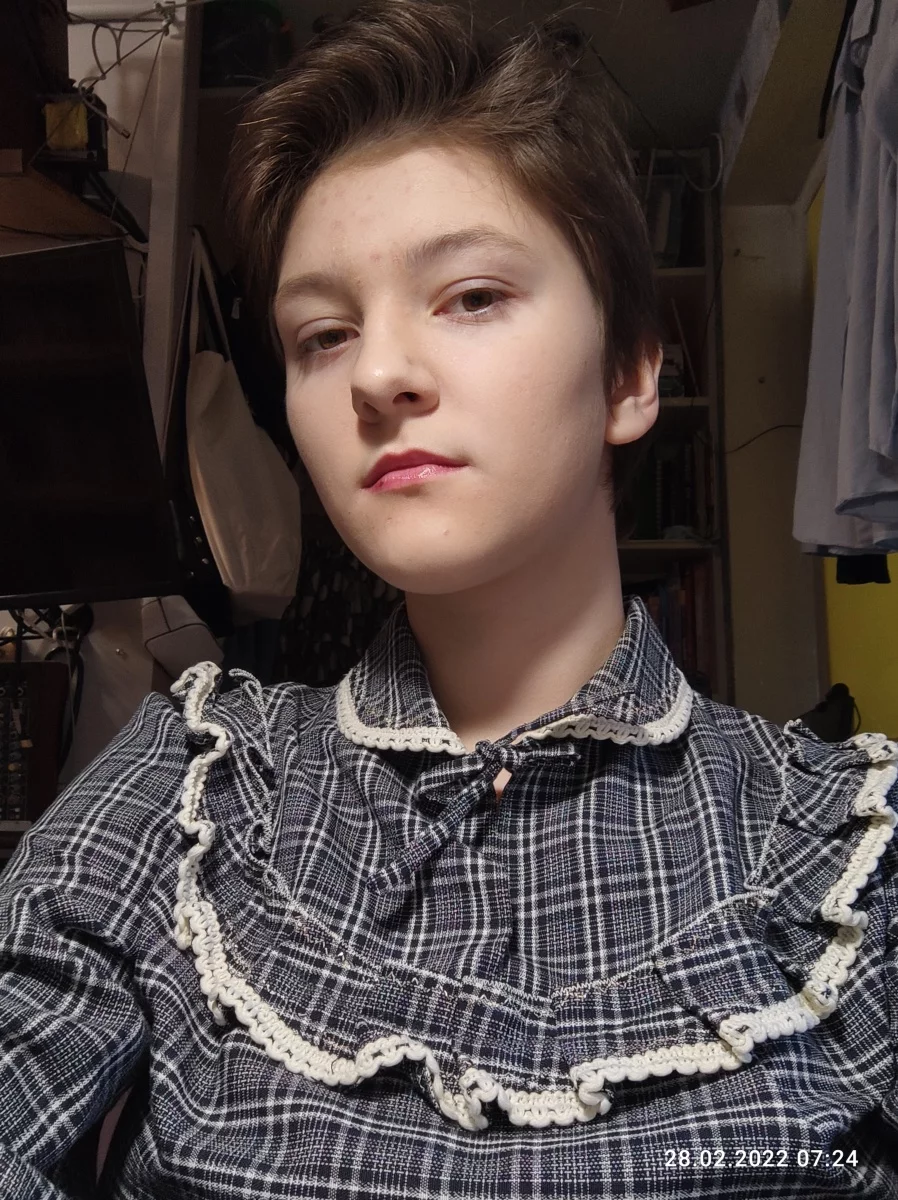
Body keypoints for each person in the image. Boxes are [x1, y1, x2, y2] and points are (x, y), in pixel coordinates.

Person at [1, 2, 897, 1196]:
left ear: (629, 373)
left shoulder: (851, 852)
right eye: (322, 335)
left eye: (471, 296)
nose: (376, 374)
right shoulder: (193, 787)